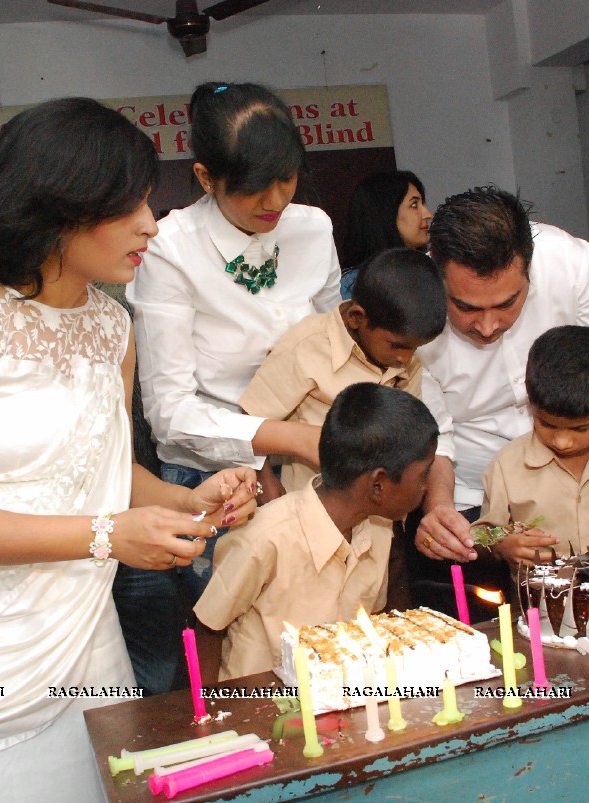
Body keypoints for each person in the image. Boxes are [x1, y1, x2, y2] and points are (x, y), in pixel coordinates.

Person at [0, 98, 257, 803]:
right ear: (56, 205)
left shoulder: (110, 324)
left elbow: (102, 467)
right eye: (129, 204)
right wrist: (106, 536)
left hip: (83, 631)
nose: (152, 222)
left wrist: (187, 498)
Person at [123, 81, 340, 694]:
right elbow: (169, 414)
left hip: (310, 471)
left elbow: (332, 344)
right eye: (253, 186)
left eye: (288, 178)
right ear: (205, 176)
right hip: (212, 482)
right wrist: (291, 439)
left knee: (318, 645)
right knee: (240, 663)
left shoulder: (311, 228)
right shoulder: (169, 249)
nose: (276, 200)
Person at [411, 186, 589, 585]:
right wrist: (439, 507)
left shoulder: (569, 261)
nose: (488, 327)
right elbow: (437, 432)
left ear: (530, 267)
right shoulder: (415, 303)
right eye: (467, 308)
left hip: (588, 483)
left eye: (507, 304)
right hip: (472, 501)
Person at [195, 383, 438, 680]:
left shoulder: (379, 530)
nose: (428, 487)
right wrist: (208, 713)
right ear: (379, 484)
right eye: (424, 475)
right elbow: (207, 628)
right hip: (260, 706)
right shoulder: (265, 538)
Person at [240, 247, 447, 494]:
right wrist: (266, 483)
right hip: (312, 502)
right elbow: (251, 422)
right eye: (397, 346)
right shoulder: (306, 346)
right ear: (357, 318)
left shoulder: (404, 356)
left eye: (415, 348)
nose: (405, 358)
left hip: (375, 512)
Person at [478, 325, 589, 563]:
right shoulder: (507, 465)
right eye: (547, 424)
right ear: (530, 402)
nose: (562, 441)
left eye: (580, 428)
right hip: (543, 596)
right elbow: (480, 535)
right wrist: (501, 544)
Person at [340, 170, 432, 299]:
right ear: (386, 214)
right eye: (414, 205)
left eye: (423, 204)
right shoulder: (357, 284)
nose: (428, 214)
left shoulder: (428, 268)